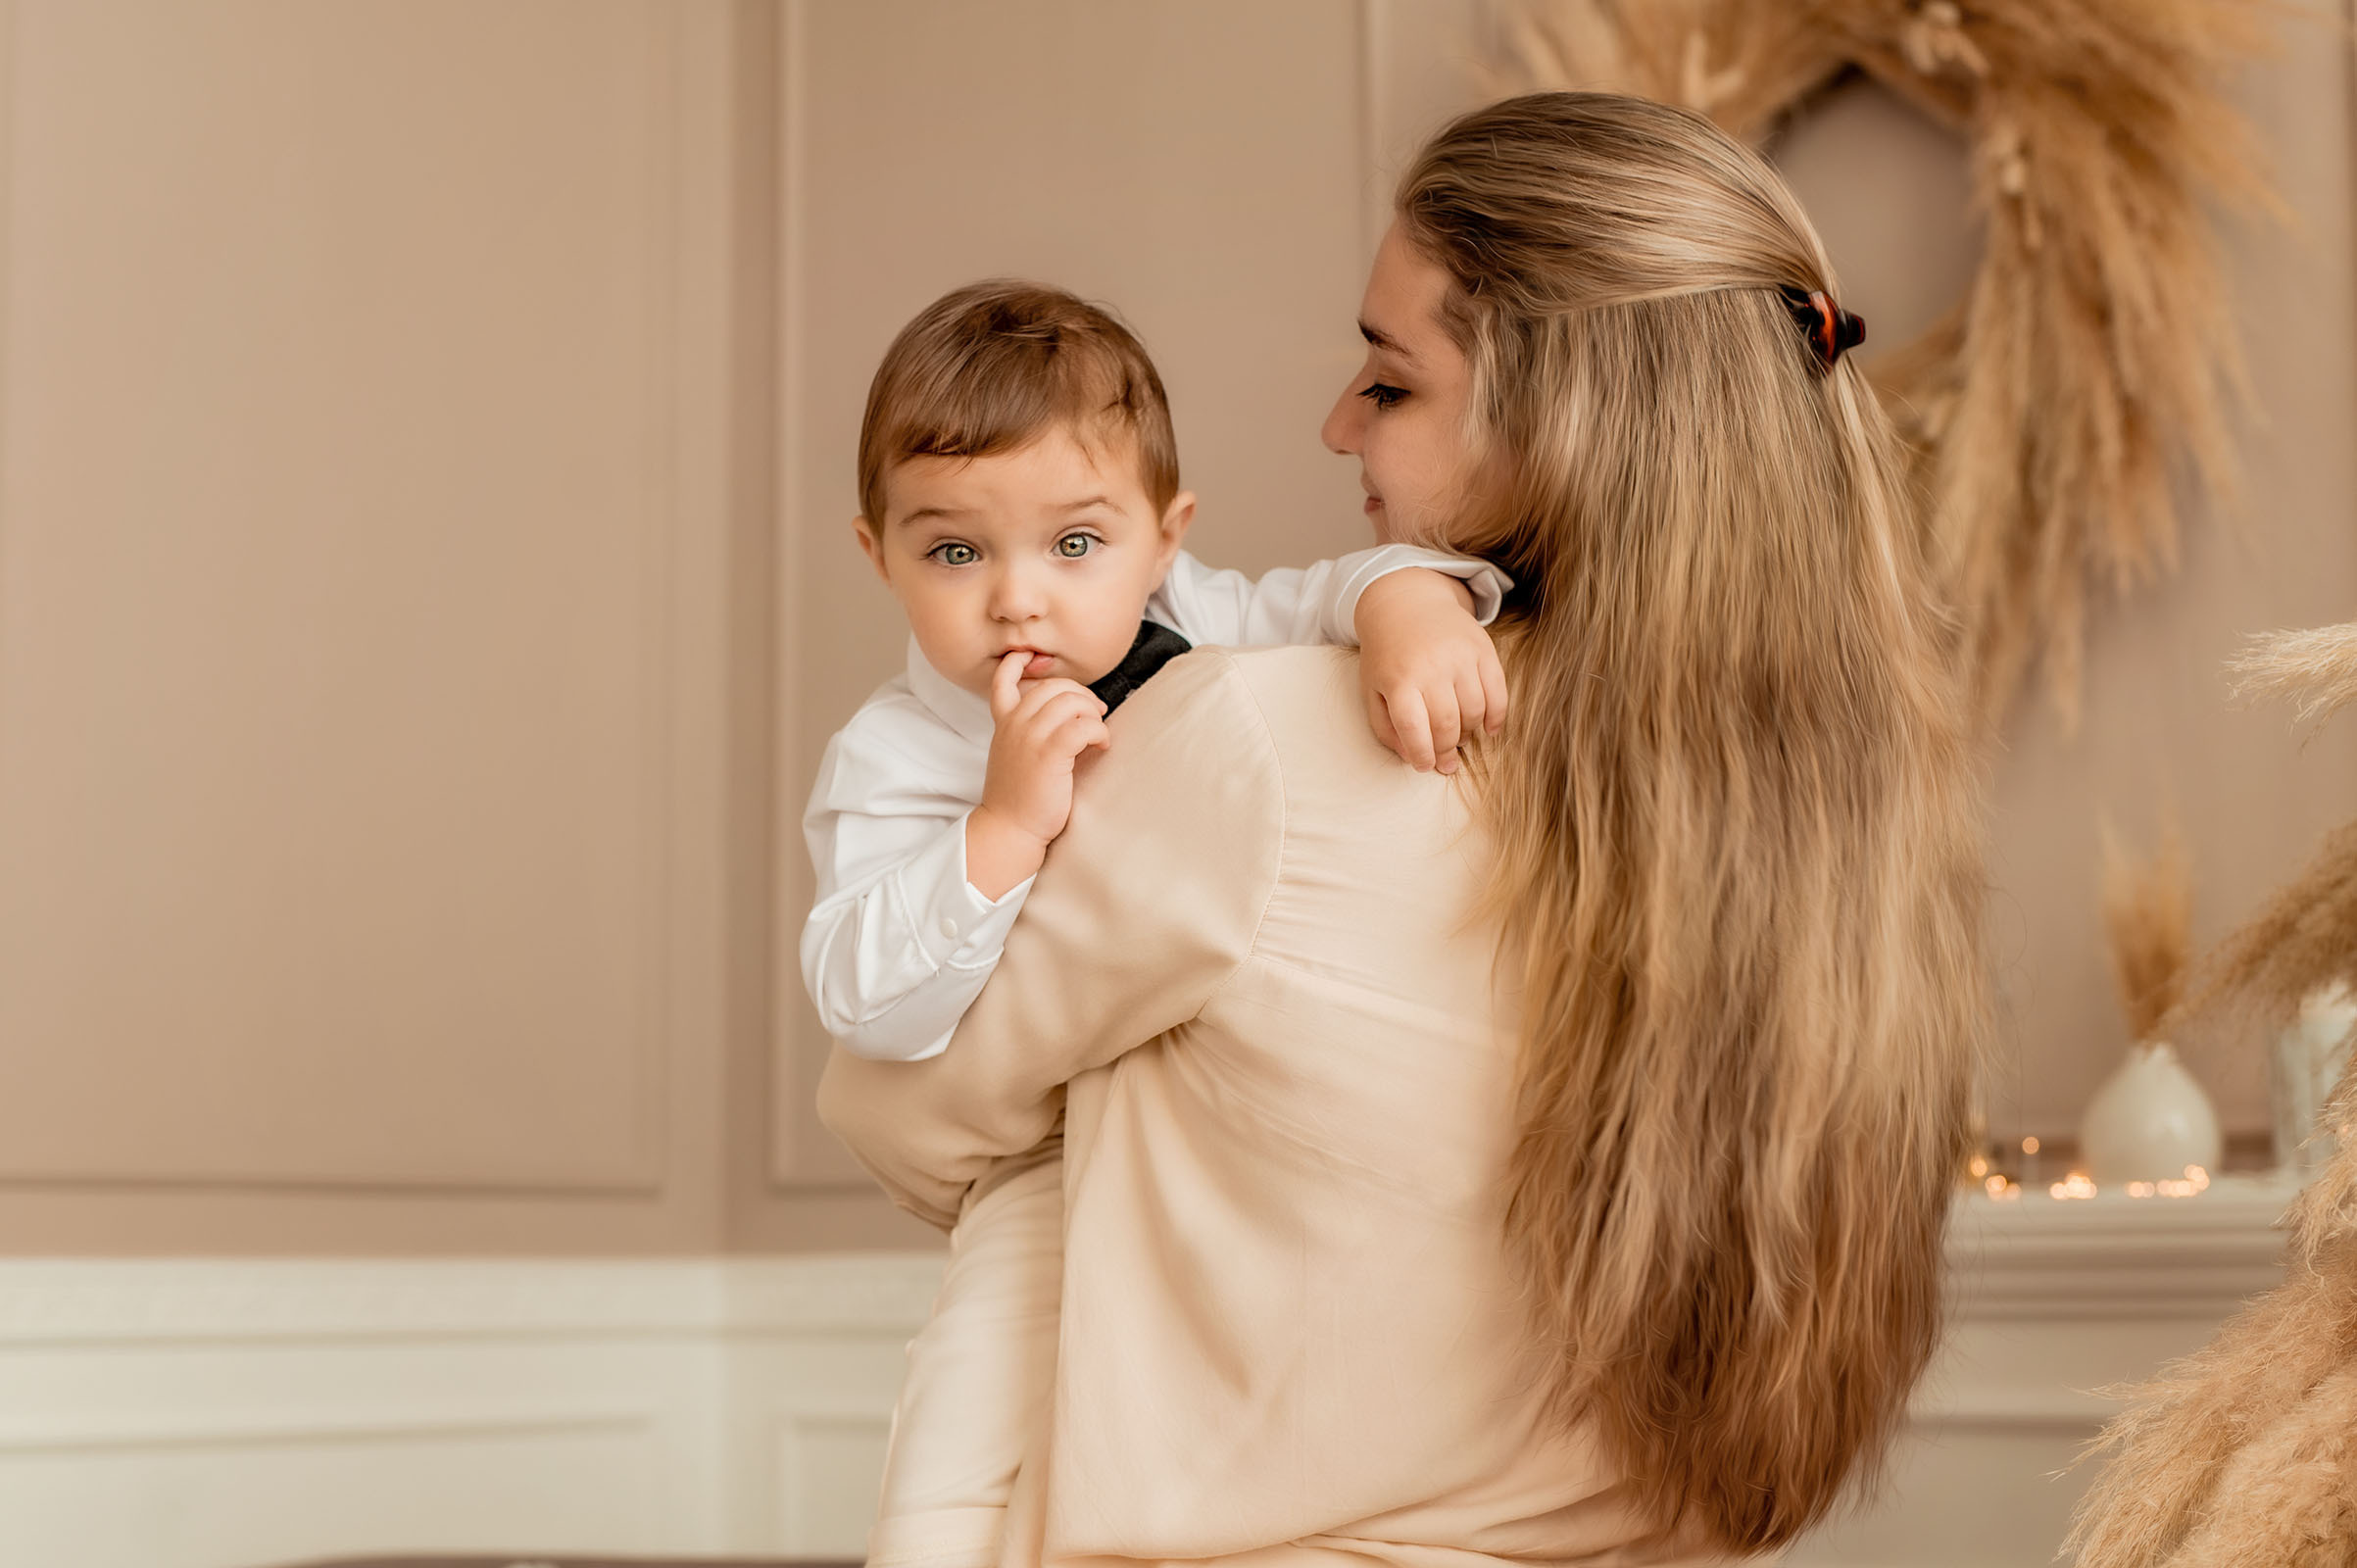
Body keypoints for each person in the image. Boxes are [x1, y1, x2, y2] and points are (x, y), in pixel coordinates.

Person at [820, 92, 1988, 1567]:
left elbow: (893, 1113)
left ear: (1553, 408)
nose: (1333, 423)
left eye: (1389, 381)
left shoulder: (1263, 746)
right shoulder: (1855, 817)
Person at [803, 278, 1514, 1568]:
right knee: (966, 1434)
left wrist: (1405, 606)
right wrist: (999, 833)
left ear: (1163, 536)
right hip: (1043, 1165)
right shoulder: (898, 754)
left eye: (1074, 544)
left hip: (1224, 1145)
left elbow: (1338, 584)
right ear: (877, 554)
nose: (1018, 599)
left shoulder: (1200, 624)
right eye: (953, 551)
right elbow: (862, 1005)